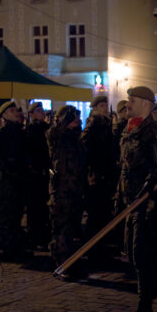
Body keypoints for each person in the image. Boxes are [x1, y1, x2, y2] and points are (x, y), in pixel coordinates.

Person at [119, 86, 157, 312]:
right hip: (130, 202)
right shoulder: (128, 129)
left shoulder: (154, 132)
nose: (127, 103)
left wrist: (151, 201)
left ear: (146, 104)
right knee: (132, 254)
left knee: (141, 255)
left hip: (146, 204)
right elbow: (125, 168)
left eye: (132, 99)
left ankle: (145, 309)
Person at [49, 105, 88, 278]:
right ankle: (62, 263)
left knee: (72, 226)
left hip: (75, 188)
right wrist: (64, 120)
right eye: (73, 117)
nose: (77, 120)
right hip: (61, 189)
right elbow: (55, 134)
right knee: (62, 227)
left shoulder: (76, 138)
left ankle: (71, 261)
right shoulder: (57, 136)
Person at [0, 101, 31, 260]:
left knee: (17, 214)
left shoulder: (19, 132)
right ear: (4, 115)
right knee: (8, 216)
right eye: (12, 110)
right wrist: (9, 171)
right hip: (7, 182)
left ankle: (16, 246)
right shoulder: (1, 134)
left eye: (15, 110)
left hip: (19, 179)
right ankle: (10, 249)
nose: (15, 113)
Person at [82, 99, 119, 266]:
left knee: (104, 215)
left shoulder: (106, 125)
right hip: (96, 176)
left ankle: (101, 249)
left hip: (105, 176)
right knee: (95, 216)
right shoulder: (93, 125)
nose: (105, 109)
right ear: (95, 108)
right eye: (102, 106)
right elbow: (88, 150)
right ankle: (93, 250)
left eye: (105, 106)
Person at [24, 102, 52, 250]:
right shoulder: (29, 131)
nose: (42, 113)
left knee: (44, 207)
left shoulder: (46, 128)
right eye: (38, 110)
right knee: (35, 207)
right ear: (31, 114)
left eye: (42, 110)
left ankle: (44, 235)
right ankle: (35, 237)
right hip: (34, 174)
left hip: (45, 172)